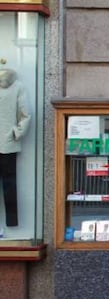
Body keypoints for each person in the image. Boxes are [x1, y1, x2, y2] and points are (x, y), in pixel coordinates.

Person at [0, 68, 31, 227]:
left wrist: (17, 133)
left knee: (10, 185)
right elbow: (25, 113)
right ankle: (11, 222)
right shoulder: (18, 86)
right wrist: (17, 133)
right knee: (9, 184)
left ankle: (12, 223)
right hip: (8, 141)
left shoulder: (18, 86)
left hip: (8, 142)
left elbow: (25, 114)